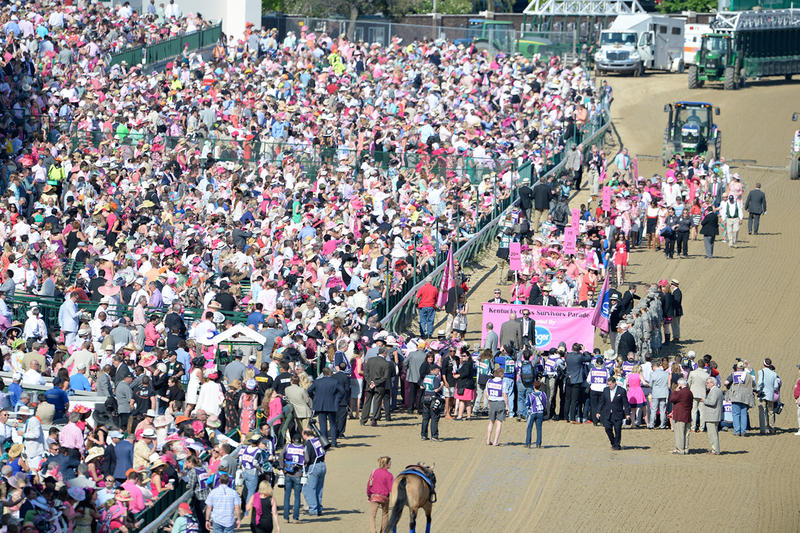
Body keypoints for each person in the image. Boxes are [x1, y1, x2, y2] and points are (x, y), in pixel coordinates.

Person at [308, 367, 344, 447]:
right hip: (331, 404)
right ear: (330, 373)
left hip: (320, 404)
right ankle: (334, 442)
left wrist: (315, 398)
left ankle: (325, 442)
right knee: (333, 424)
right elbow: (342, 391)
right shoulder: (334, 382)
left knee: (322, 424)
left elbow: (309, 391)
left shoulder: (317, 382)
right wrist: (337, 399)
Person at [279, 433, 308, 524]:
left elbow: (280, 456)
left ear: (292, 440)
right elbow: (307, 459)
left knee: (287, 496)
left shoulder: (288, 446)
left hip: (288, 473)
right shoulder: (303, 448)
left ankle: (286, 517)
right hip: (298, 474)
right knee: (297, 497)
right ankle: (295, 518)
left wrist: (282, 467)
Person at [596, 376, 630, 450]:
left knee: (617, 430)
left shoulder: (621, 391)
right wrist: (598, 411)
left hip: (617, 414)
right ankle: (613, 442)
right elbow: (601, 402)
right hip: (607, 414)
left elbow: (626, 403)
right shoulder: (605, 390)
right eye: (608, 384)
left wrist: (627, 414)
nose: (609, 386)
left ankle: (617, 445)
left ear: (615, 383)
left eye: (610, 384)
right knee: (607, 429)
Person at [724, 361, 755, 437]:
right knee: (743, 414)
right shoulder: (748, 375)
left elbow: (726, 382)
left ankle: (737, 431)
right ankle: (743, 431)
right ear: (743, 368)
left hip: (736, 396)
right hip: (745, 397)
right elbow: (753, 385)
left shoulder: (733, 374)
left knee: (735, 414)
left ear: (737, 368)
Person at [301, 427, 327, 517]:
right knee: (319, 488)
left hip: (313, 466)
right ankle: (318, 508)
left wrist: (302, 464)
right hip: (322, 465)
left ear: (305, 434)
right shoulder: (319, 440)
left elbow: (306, 459)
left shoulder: (308, 443)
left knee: (309, 488)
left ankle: (313, 509)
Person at [366, 457, 394, 533]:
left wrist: (369, 495)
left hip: (374, 496)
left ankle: (373, 531)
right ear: (387, 464)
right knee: (385, 515)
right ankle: (384, 531)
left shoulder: (374, 472)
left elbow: (369, 485)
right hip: (385, 497)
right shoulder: (389, 475)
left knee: (372, 516)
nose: (391, 464)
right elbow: (391, 488)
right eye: (390, 463)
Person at [485, 367, 509, 446]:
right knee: (499, 422)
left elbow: (486, 393)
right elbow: (504, 395)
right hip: (500, 402)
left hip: (492, 402)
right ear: (501, 375)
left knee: (491, 422)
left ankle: (488, 439)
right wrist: (507, 406)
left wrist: (489, 401)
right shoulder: (503, 383)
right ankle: (495, 441)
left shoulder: (489, 381)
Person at [670, 378, 693, 455]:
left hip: (680, 415)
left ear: (680, 384)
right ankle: (686, 448)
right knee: (686, 433)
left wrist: (676, 391)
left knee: (679, 433)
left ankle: (680, 449)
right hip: (687, 415)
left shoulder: (681, 392)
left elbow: (672, 399)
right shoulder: (690, 392)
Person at [420, 364, 443, 441]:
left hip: (426, 398)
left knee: (425, 418)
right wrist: (441, 386)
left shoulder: (426, 377)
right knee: (434, 418)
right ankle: (434, 436)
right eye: (437, 370)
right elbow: (436, 390)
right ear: (433, 370)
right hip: (433, 398)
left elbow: (421, 386)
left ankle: (423, 435)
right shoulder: (435, 378)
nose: (438, 372)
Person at [756, 358, 779, 435]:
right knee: (771, 412)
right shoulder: (774, 374)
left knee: (762, 411)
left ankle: (763, 429)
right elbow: (776, 386)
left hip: (762, 395)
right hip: (770, 395)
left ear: (764, 364)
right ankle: (772, 428)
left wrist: (758, 391)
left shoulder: (760, 372)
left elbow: (759, 383)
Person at [524, 381, 548, 449]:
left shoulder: (530, 395)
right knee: (539, 429)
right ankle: (538, 444)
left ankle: (528, 443)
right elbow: (545, 402)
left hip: (532, 413)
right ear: (540, 387)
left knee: (529, 428)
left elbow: (527, 404)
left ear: (533, 387)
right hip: (540, 412)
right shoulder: (543, 394)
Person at [648, 358, 670, 429]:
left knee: (653, 409)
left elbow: (650, 384)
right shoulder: (666, 373)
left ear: (654, 366)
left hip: (656, 393)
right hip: (664, 392)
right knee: (662, 410)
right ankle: (662, 424)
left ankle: (651, 424)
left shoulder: (653, 374)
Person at [703, 377, 723, 455]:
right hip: (714, 415)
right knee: (714, 433)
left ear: (712, 383)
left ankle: (715, 450)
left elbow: (712, 402)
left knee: (712, 434)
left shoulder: (714, 391)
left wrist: (704, 400)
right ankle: (715, 449)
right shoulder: (717, 390)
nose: (707, 384)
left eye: (708, 383)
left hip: (712, 416)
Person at [687, 362, 709, 432]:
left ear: (698, 365)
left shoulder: (692, 373)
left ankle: (693, 427)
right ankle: (701, 428)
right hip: (702, 394)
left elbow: (688, 383)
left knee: (693, 411)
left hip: (693, 393)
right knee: (702, 412)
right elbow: (707, 386)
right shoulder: (706, 375)